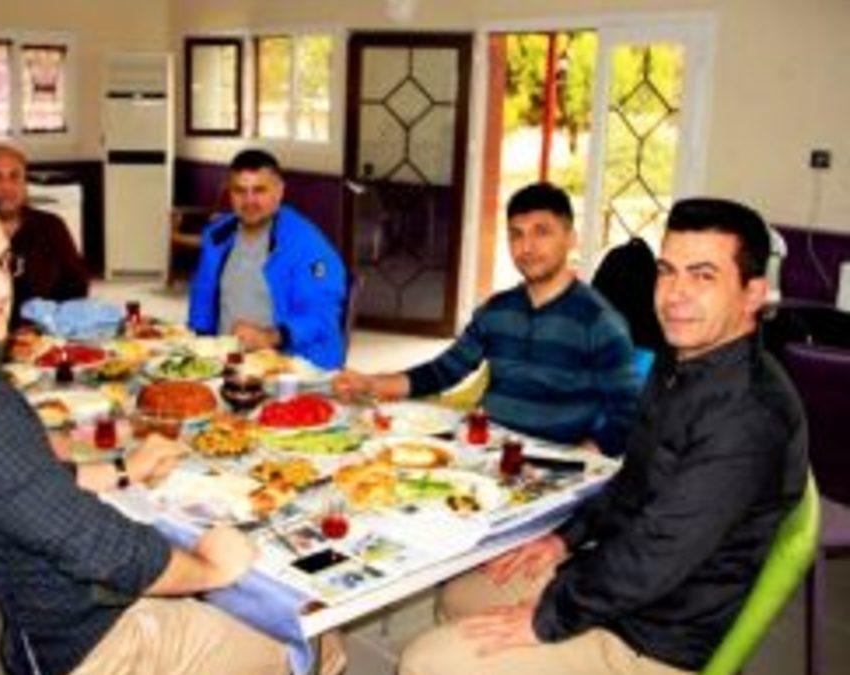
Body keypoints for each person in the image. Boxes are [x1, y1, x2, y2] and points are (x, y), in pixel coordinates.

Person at [0, 184, 289, 675]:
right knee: (301, 636)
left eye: (1, 262)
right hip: (66, 641)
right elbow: (105, 551)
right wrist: (210, 569)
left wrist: (122, 470)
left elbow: (14, 481)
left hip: (8, 600)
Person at [398, 197, 808, 675]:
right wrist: (564, 540)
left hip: (653, 638)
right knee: (459, 596)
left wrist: (548, 618)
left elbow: (656, 554)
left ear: (753, 294)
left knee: (424, 663)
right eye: (667, 271)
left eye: (703, 276)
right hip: (621, 585)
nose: (675, 295)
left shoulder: (749, 415)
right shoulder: (681, 362)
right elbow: (634, 479)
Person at [334, 182, 639, 456]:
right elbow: (442, 372)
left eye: (541, 232)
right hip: (488, 450)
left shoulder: (599, 322)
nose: (527, 247)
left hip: (557, 460)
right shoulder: (497, 311)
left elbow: (629, 412)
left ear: (570, 239)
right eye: (516, 234)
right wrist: (370, 383)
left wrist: (584, 457)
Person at [188, 149, 348, 369]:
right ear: (230, 193)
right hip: (227, 361)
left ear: (279, 191)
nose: (249, 201)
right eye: (240, 191)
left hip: (291, 366)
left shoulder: (309, 246)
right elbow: (202, 298)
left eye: (259, 190)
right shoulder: (217, 236)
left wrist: (269, 337)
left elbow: (322, 316)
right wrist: (199, 347)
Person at [0, 144, 90, 321]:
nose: (6, 187)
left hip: (40, 332)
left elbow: (76, 289)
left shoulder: (51, 227)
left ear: (25, 183)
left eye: (15, 177)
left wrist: (48, 325)